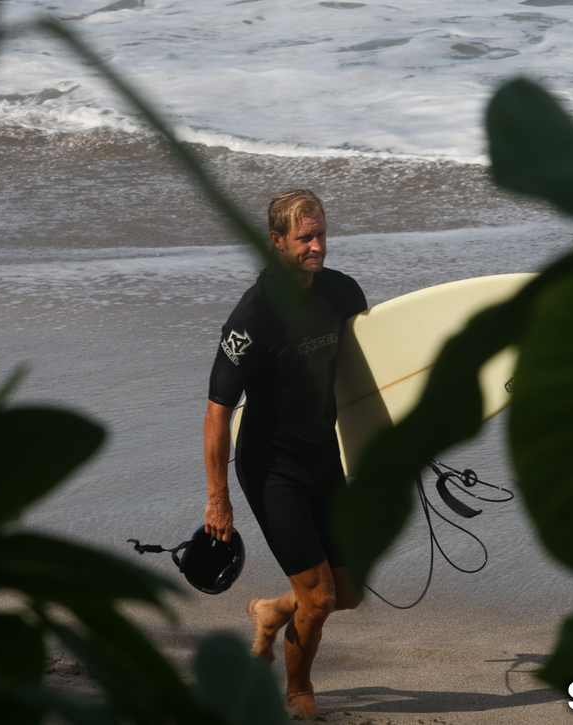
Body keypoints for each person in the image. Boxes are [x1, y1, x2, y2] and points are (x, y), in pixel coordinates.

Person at [204, 189, 367, 720]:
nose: (317, 246)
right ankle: (298, 691)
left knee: (346, 593)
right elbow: (217, 413)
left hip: (325, 457)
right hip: (273, 469)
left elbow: (368, 378)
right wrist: (217, 500)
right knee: (318, 599)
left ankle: (272, 612)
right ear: (276, 242)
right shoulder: (252, 318)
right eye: (305, 238)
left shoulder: (342, 294)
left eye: (321, 234)